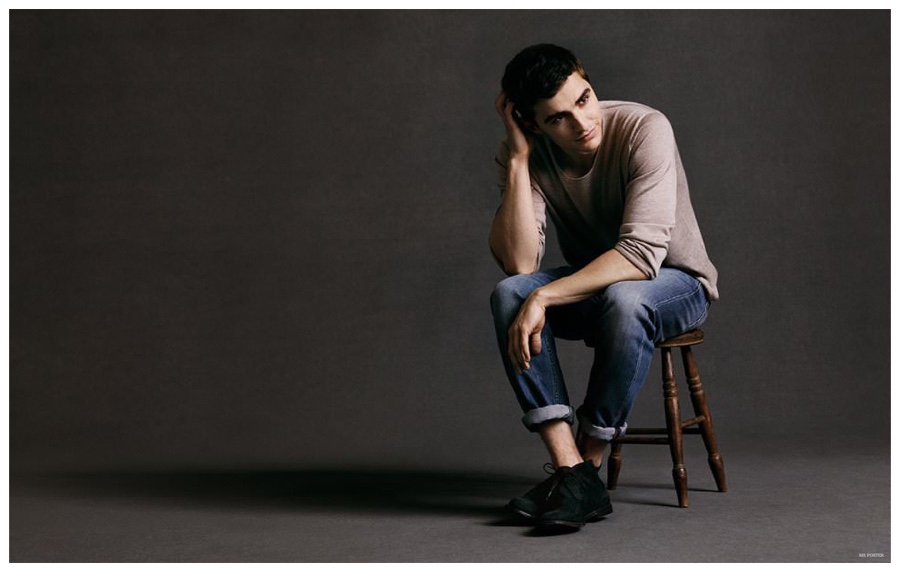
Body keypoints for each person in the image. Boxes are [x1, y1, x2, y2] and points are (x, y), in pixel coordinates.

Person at [489, 44, 719, 530]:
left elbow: (640, 255)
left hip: (676, 284)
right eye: (557, 118)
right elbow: (519, 263)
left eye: (584, 99)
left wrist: (545, 295)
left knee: (623, 297)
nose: (582, 123)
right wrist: (518, 161)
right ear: (532, 124)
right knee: (510, 294)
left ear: (589, 83)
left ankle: (586, 466)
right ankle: (572, 471)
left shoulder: (644, 128)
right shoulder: (530, 152)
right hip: (601, 288)